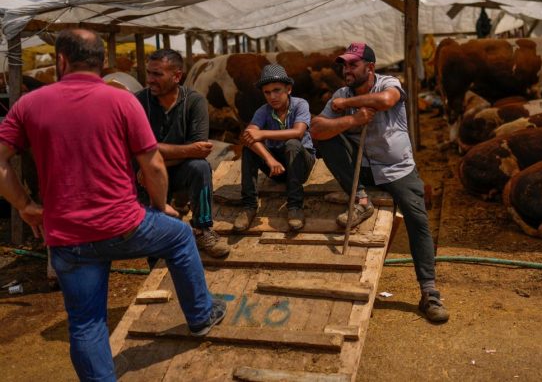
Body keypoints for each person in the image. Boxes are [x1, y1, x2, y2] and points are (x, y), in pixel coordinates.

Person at [0, 29, 227, 381]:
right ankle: (200, 317)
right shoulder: (123, 101)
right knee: (181, 236)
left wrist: (25, 205)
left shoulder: (29, 104)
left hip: (68, 238)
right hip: (124, 226)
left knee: (87, 322)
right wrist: (160, 205)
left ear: (61, 61)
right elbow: (152, 164)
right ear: (103, 62)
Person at [311, 42, 449, 323]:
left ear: (370, 68)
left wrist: (348, 106)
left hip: (396, 168)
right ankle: (361, 199)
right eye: (345, 65)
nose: (346, 70)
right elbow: (316, 128)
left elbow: (386, 100)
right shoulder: (340, 93)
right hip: (361, 169)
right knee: (328, 137)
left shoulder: (388, 83)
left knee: (417, 217)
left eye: (353, 64)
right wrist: (352, 120)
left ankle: (429, 292)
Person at [136, 49, 230, 258]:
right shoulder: (138, 103)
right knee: (153, 240)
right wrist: (187, 150)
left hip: (169, 169)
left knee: (200, 167)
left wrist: (153, 155)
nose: (150, 80)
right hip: (146, 174)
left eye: (157, 74)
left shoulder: (194, 101)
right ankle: (155, 242)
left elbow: (201, 150)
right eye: (149, 73)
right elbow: (136, 148)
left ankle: (202, 228)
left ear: (177, 76)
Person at [233, 64, 316, 232]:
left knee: (292, 143)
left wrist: (262, 134)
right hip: (277, 168)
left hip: (300, 164)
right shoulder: (263, 111)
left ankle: (294, 206)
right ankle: (249, 206)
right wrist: (269, 159)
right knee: (249, 147)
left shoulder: (300, 104)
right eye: (267, 92)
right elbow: (248, 136)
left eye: (277, 90)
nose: (272, 96)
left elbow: (298, 132)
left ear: (289, 89)